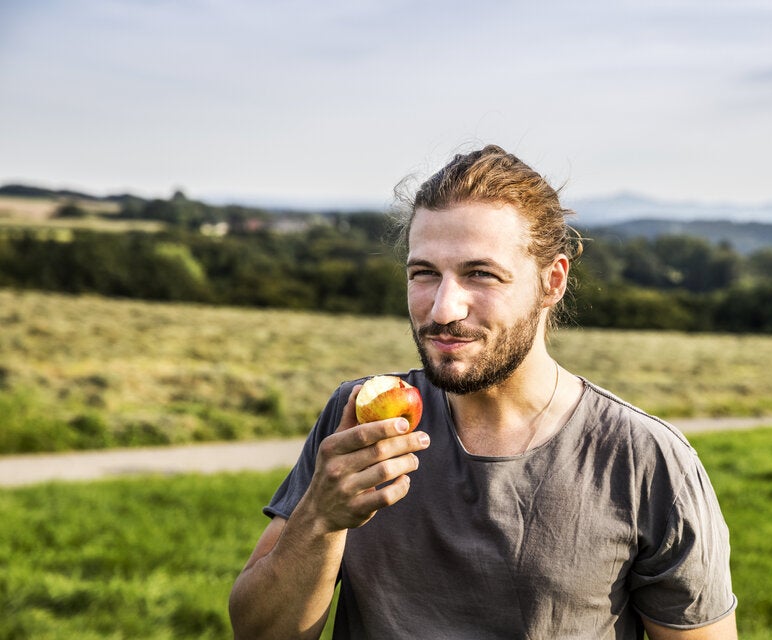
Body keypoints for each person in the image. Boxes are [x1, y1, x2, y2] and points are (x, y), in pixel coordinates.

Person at [229, 145, 738, 639]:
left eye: (480, 274)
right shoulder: (358, 418)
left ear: (552, 282)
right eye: (424, 273)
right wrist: (320, 519)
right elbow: (257, 632)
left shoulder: (646, 459)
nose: (443, 308)